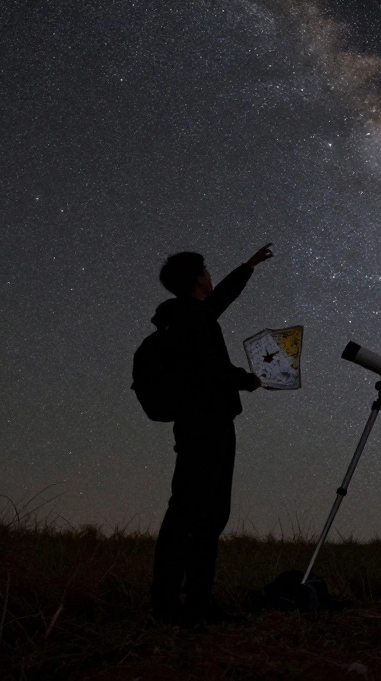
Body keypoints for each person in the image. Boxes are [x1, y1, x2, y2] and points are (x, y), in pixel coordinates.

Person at [148, 242, 274, 626]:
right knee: (197, 514)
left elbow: (221, 298)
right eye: (206, 271)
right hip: (209, 427)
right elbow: (211, 371)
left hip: (196, 426)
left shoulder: (186, 316)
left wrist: (248, 266)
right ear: (198, 278)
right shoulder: (194, 322)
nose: (210, 277)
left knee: (195, 512)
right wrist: (248, 380)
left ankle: (183, 602)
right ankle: (180, 605)